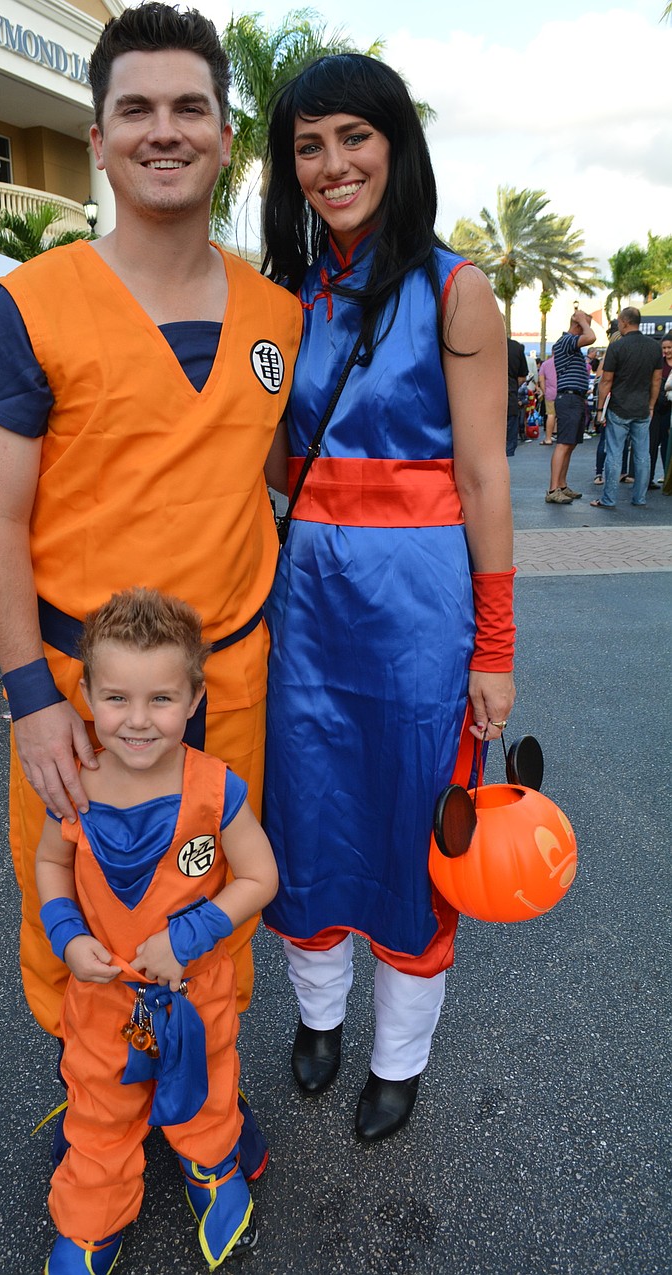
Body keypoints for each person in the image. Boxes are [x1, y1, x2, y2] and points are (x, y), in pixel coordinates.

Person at [0, 3, 301, 1037]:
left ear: (226, 138)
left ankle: (204, 1094)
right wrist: (33, 699)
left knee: (215, 890)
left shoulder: (279, 315)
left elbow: (275, 479)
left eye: (191, 107)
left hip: (227, 679)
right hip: (85, 693)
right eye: (135, 109)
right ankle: (95, 1093)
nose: (164, 129)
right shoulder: (25, 307)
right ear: (98, 141)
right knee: (78, 901)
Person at [260, 54, 515, 1142]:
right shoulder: (277, 296)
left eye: (353, 137)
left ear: (396, 145)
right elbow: (272, 465)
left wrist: (494, 644)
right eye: (309, 145)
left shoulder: (457, 289)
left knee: (418, 824)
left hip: (418, 612)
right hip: (304, 602)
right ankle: (318, 1018)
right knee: (305, 815)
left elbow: (484, 477)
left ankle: (397, 1056)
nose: (332, 164)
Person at [35, 587, 278, 1274]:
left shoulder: (215, 787)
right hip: (103, 1003)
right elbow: (51, 862)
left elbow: (260, 877)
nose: (138, 721)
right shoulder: (74, 781)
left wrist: (191, 934)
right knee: (100, 1114)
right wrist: (66, 934)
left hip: (193, 994)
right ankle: (90, 1213)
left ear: (195, 699)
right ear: (85, 692)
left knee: (206, 1089)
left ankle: (209, 1165)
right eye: (116, 698)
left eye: (161, 700)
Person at [590, 307, 664, 509]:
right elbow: (656, 380)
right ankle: (639, 498)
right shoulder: (654, 347)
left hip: (619, 407)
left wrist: (599, 410)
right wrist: (650, 405)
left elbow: (606, 381)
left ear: (624, 322)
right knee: (643, 455)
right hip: (642, 407)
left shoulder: (617, 347)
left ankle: (609, 499)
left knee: (614, 453)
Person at [546, 310, 595, 504]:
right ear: (578, 325)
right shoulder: (566, 341)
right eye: (584, 325)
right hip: (568, 398)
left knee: (570, 444)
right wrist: (583, 321)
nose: (586, 329)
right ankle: (552, 489)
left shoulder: (570, 345)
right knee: (564, 444)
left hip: (574, 399)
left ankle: (561, 485)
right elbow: (591, 336)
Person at [647, 333, 671, 490]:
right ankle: (648, 478)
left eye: (669, 347)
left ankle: (668, 478)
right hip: (656, 407)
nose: (667, 351)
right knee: (653, 444)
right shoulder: (658, 363)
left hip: (670, 408)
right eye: (664, 348)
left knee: (668, 445)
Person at [506, 337, 529, 455]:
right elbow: (522, 376)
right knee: (508, 447)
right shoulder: (516, 347)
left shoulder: (480, 344)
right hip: (509, 398)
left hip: (484, 403)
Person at [537, 352, 557, 445]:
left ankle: (548, 438)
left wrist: (544, 391)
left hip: (550, 392)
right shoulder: (565, 362)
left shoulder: (545, 364)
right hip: (564, 392)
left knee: (551, 414)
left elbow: (541, 379)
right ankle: (559, 434)